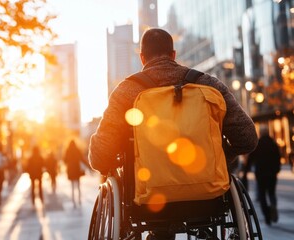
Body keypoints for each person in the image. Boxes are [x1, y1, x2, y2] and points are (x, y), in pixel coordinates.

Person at [88, 28, 258, 240]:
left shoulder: (125, 92)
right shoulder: (208, 84)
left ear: (142, 57)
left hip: (146, 200)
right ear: (173, 54)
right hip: (207, 197)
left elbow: (100, 157)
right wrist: (220, 158)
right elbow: (248, 138)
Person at [247, 127, 281, 225]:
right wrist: (276, 169)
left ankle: (267, 216)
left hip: (261, 174)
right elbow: (278, 157)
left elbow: (251, 158)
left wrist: (246, 170)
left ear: (261, 133)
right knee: (271, 192)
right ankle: (273, 205)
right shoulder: (273, 144)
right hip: (272, 174)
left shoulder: (258, 144)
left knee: (262, 195)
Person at [63, 140, 87, 208]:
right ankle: (79, 200)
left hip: (71, 170)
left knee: (72, 187)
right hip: (77, 170)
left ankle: (74, 202)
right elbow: (82, 159)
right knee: (78, 186)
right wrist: (88, 166)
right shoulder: (77, 150)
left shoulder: (67, 150)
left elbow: (65, 160)